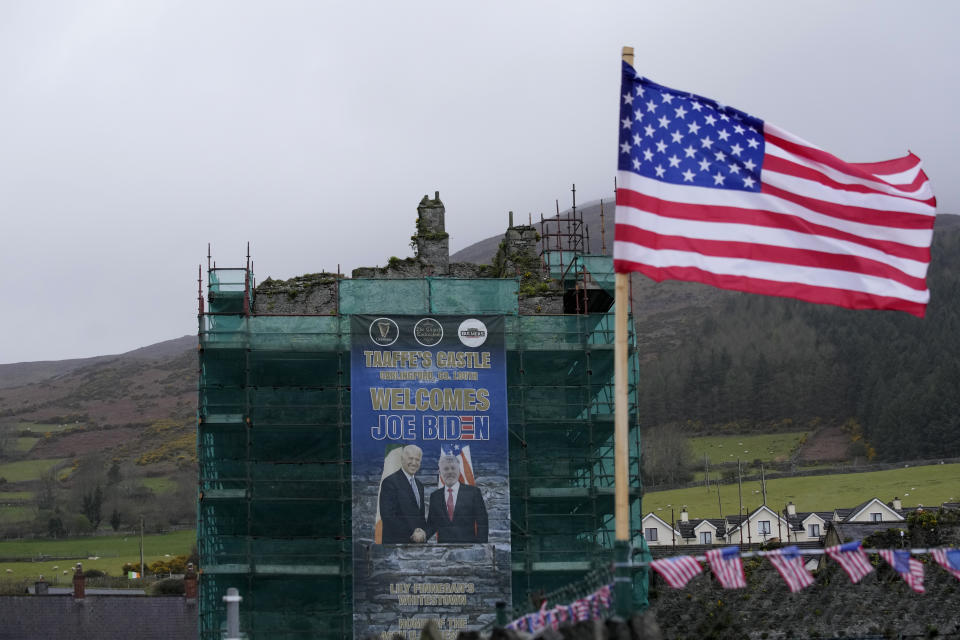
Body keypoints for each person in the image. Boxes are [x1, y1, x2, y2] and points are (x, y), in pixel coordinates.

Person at [425, 452, 488, 543]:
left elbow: (482, 522)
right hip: (444, 551)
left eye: (453, 468)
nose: (450, 472)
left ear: (459, 471)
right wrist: (422, 536)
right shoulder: (435, 496)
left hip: (468, 550)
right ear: (440, 472)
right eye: (446, 469)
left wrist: (481, 547)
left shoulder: (473, 492)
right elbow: (432, 525)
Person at [379, 445, 427, 543]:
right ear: (402, 459)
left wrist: (422, 533)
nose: (414, 463)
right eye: (410, 458)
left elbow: (420, 516)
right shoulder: (390, 482)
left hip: (418, 545)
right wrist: (413, 534)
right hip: (397, 544)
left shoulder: (419, 485)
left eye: (417, 460)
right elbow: (388, 516)